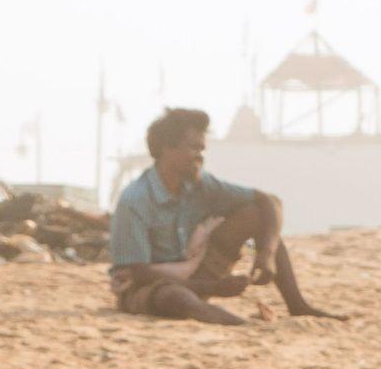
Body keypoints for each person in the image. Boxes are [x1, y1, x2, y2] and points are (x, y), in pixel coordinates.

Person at [109, 108, 343, 325]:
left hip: (196, 271)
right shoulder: (135, 200)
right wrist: (214, 287)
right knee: (175, 296)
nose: (200, 157)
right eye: (194, 149)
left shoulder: (200, 183)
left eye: (202, 150)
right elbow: (138, 273)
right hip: (147, 287)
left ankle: (297, 305)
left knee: (255, 214)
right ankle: (243, 326)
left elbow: (268, 201)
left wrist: (267, 253)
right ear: (166, 149)